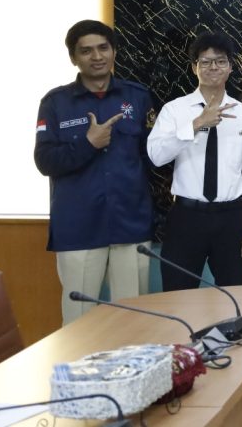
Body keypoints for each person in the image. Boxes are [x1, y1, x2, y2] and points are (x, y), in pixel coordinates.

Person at [34, 20, 155, 324]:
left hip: (130, 224)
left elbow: (153, 156)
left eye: (103, 48)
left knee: (134, 323)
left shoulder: (137, 97)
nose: (97, 56)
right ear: (73, 58)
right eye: (86, 51)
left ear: (114, 51)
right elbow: (45, 161)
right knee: (79, 324)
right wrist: (88, 143)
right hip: (79, 228)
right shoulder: (55, 103)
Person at [147, 33, 242, 291]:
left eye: (220, 61)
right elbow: (156, 156)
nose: (213, 67)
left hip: (232, 218)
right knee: (177, 294)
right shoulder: (175, 110)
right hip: (187, 216)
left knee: (235, 294)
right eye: (205, 62)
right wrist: (196, 124)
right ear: (194, 67)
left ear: (231, 67)